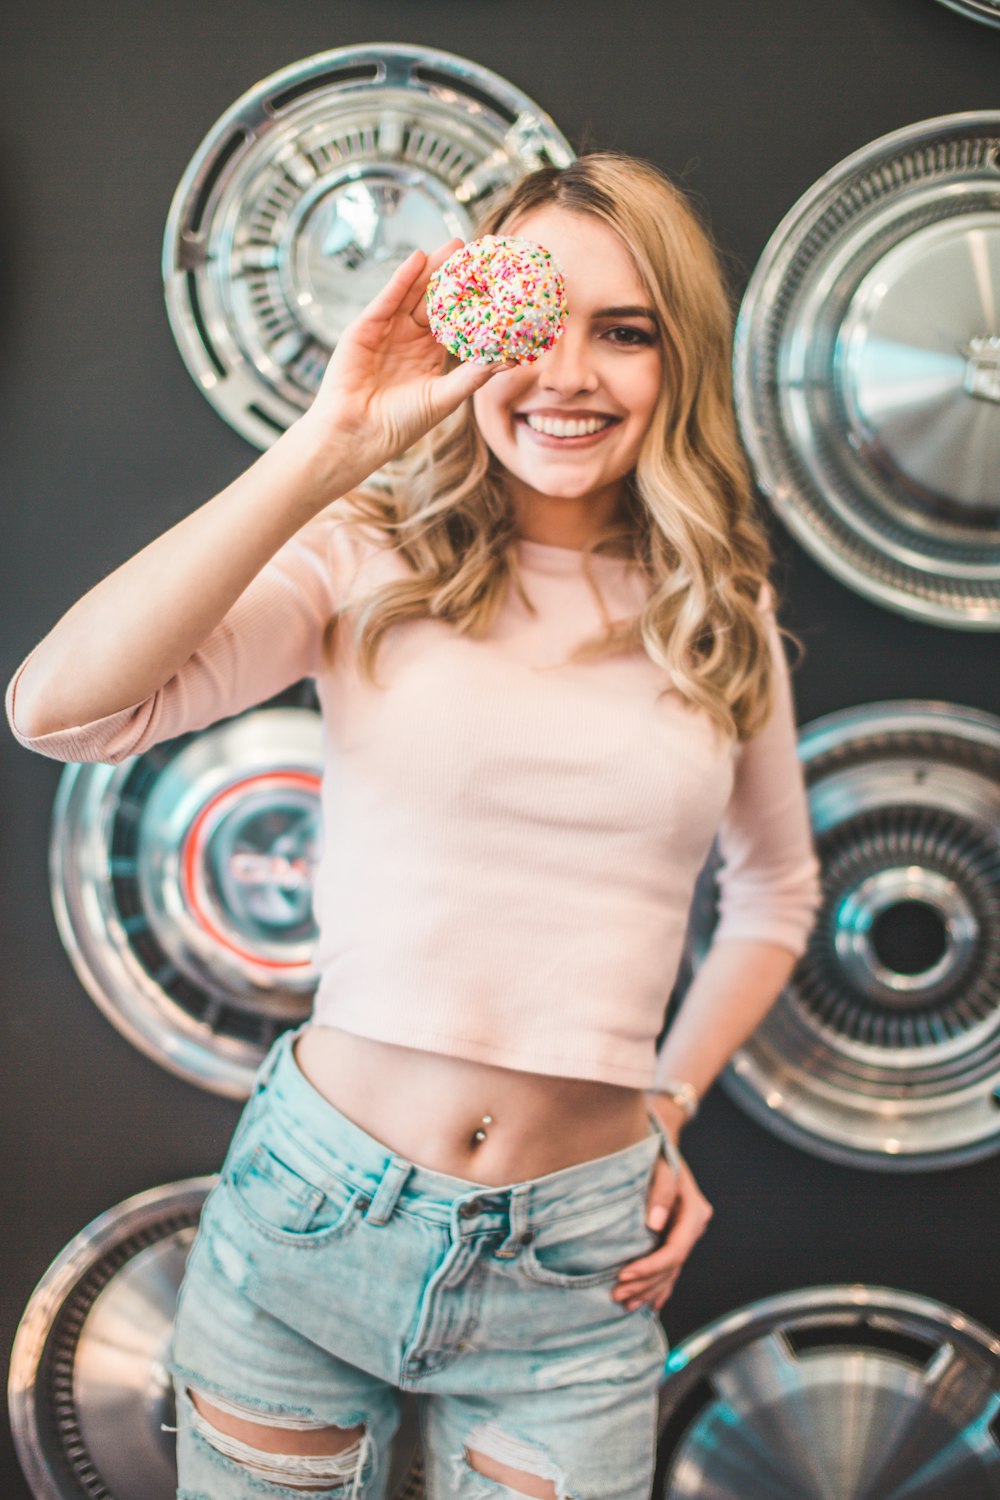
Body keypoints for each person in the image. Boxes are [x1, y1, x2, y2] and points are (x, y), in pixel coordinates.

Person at [6, 151, 821, 1500]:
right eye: (531, 324)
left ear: (677, 359)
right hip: (312, 1223)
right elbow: (60, 708)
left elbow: (779, 894)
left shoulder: (718, 611)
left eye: (623, 332)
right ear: (471, 333)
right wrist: (332, 446)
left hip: (581, 1264)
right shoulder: (366, 557)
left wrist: (671, 1097)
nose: (568, 375)